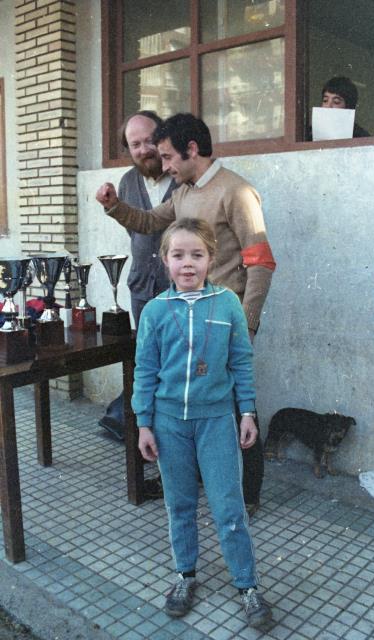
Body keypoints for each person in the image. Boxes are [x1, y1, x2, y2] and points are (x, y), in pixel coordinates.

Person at [96, 112, 276, 515]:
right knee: (197, 403)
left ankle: (247, 497)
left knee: (234, 407)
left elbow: (260, 263)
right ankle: (204, 481)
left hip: (226, 323)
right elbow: (146, 222)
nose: (164, 166)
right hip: (188, 317)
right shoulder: (182, 192)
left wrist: (245, 326)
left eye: (168, 157)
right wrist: (113, 206)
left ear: (192, 149)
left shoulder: (237, 192)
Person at [132, 217, 272, 628]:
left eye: (197, 254)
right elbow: (145, 368)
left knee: (229, 506)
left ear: (211, 258)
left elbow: (242, 361)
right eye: (178, 255)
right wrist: (144, 422)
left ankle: (247, 585)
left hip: (216, 422)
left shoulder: (227, 302)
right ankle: (185, 575)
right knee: (180, 504)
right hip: (168, 422)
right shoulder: (156, 311)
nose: (187, 263)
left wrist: (247, 411)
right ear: (164, 260)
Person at [98, 111, 177, 460]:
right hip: (143, 291)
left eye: (150, 140)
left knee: (179, 369)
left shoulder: (183, 175)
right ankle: (151, 443)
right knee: (148, 364)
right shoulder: (128, 181)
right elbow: (137, 232)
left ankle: (179, 448)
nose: (145, 149)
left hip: (181, 292)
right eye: (135, 144)